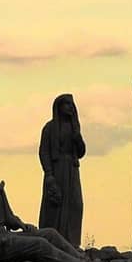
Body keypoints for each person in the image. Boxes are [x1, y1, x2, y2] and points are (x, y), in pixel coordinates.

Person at [0, 152, 103, 262]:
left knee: (49, 233)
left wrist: (22, 225)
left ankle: (83, 259)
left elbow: (8, 218)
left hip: (6, 235)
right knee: (39, 244)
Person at [38, 94, 86, 246]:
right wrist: (49, 174)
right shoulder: (50, 127)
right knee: (55, 206)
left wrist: (78, 138)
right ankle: (53, 242)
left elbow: (81, 153)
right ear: (58, 107)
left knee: (75, 204)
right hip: (56, 169)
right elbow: (44, 151)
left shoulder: (75, 127)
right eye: (66, 104)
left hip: (72, 169)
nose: (70, 107)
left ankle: (72, 243)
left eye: (71, 104)